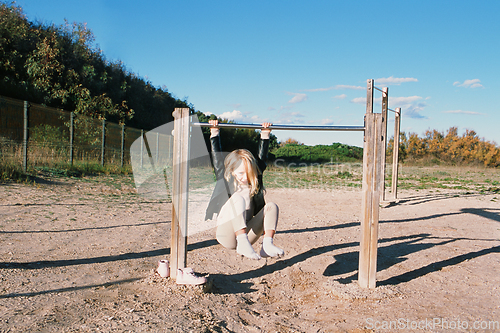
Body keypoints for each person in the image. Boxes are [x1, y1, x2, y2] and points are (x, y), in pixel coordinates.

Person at [204, 119, 284, 260]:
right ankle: (241, 242)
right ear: (232, 171)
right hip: (227, 235)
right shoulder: (226, 180)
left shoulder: (255, 179)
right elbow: (216, 157)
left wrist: (265, 134)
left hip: (248, 235)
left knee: (272, 206)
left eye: (248, 173)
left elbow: (261, 158)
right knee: (238, 199)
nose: (244, 177)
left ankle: (267, 245)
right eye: (240, 173)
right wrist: (214, 132)